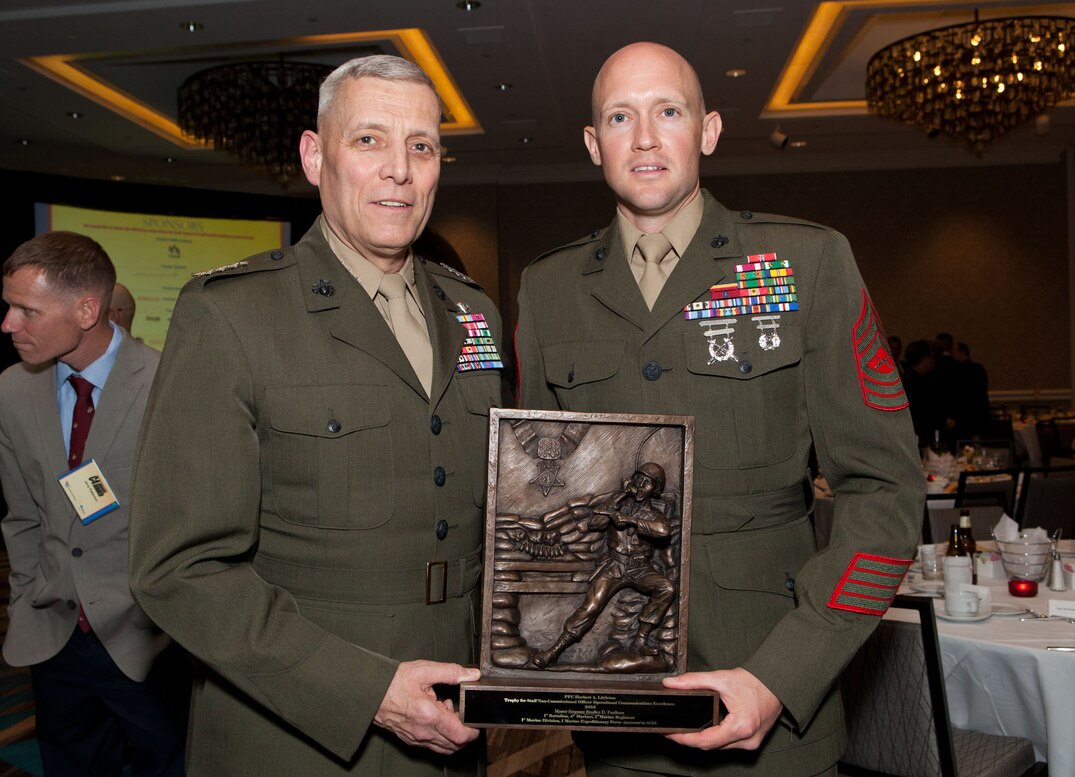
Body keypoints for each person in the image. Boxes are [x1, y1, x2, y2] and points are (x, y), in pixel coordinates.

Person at [515, 42, 923, 776]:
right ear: (592, 143)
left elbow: (886, 490)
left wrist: (784, 674)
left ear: (707, 129)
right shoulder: (548, 290)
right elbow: (534, 495)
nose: (644, 137)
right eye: (620, 116)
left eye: (667, 111)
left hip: (772, 699)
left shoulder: (806, 263)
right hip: (617, 710)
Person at [128, 55, 504, 776]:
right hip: (298, 735)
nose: (399, 168)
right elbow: (178, 569)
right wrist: (368, 691)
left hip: (455, 727)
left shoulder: (472, 311)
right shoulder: (231, 315)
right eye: (369, 140)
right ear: (314, 156)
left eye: (421, 146)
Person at [0, 231, 187, 776]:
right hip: (53, 639)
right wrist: (25, 604)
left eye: (25, 310)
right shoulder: (12, 390)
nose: (8, 324)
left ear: (86, 309)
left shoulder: (168, 385)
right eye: (9, 307)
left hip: (149, 641)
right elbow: (21, 518)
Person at [530, 462, 676, 669]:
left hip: (640, 568)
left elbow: (663, 531)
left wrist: (632, 521)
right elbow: (594, 524)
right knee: (590, 607)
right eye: (639, 480)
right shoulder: (618, 505)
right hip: (614, 566)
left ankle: (640, 641)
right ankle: (554, 651)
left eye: (648, 483)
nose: (641, 486)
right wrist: (617, 501)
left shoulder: (654, 516)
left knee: (666, 588)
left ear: (656, 490)